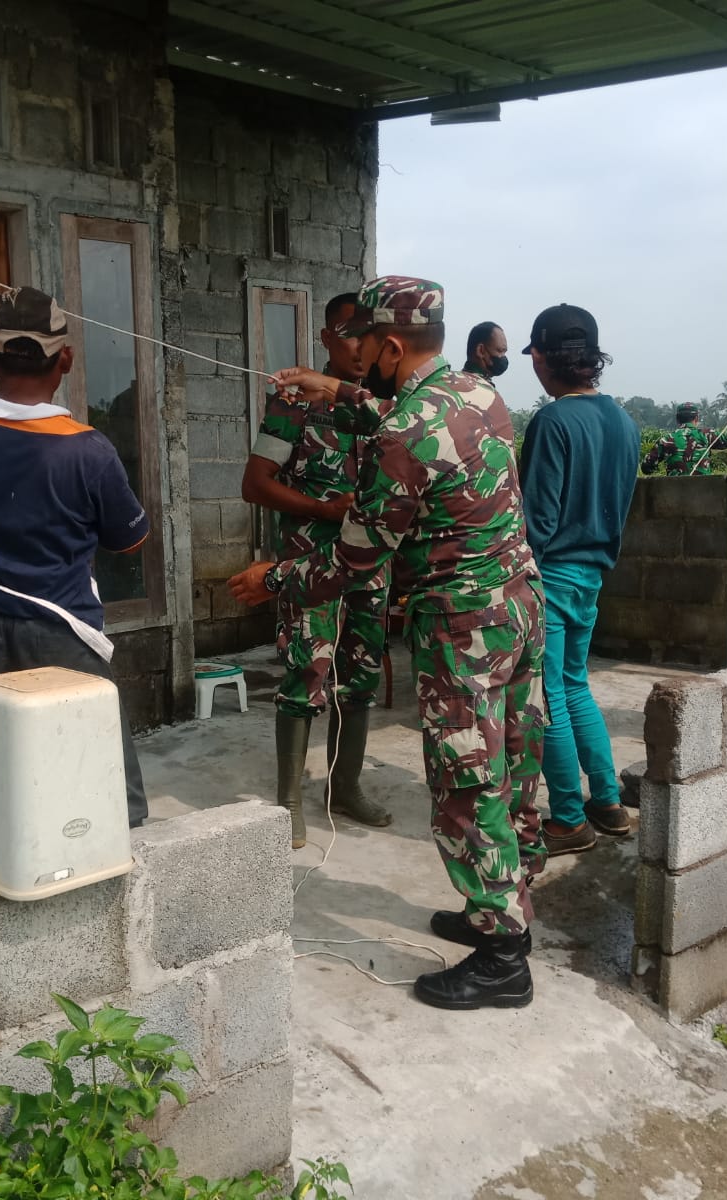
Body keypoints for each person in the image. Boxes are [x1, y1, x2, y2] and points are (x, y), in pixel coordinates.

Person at [228, 276, 546, 1012]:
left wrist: (274, 578)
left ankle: (502, 955)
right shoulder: (477, 394)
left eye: (365, 344)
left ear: (392, 346)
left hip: (462, 624)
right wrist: (334, 390)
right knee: (513, 762)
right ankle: (505, 904)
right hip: (518, 607)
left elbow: (354, 558)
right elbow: (404, 416)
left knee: (467, 780)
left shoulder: (403, 434)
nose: (358, 356)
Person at [0, 278, 151, 826]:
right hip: (60, 626)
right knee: (104, 781)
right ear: (64, 360)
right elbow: (130, 539)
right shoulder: (88, 451)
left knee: (6, 766)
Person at [241, 293, 392, 849]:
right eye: (349, 334)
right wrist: (323, 510)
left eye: (368, 335)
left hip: (371, 565)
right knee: (306, 674)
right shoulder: (294, 401)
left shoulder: (387, 404)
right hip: (310, 562)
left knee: (360, 677)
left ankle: (345, 786)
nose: (359, 346)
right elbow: (255, 483)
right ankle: (289, 803)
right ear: (327, 338)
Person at [517, 306, 639, 855]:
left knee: (550, 700)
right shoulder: (624, 421)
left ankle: (567, 819)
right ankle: (607, 802)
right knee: (574, 684)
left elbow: (538, 521)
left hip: (551, 574)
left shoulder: (553, 422)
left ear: (544, 359)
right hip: (592, 575)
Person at [641, 402, 727, 476]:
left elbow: (646, 468)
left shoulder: (667, 439)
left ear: (677, 419)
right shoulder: (707, 435)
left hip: (674, 489)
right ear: (697, 418)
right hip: (704, 488)